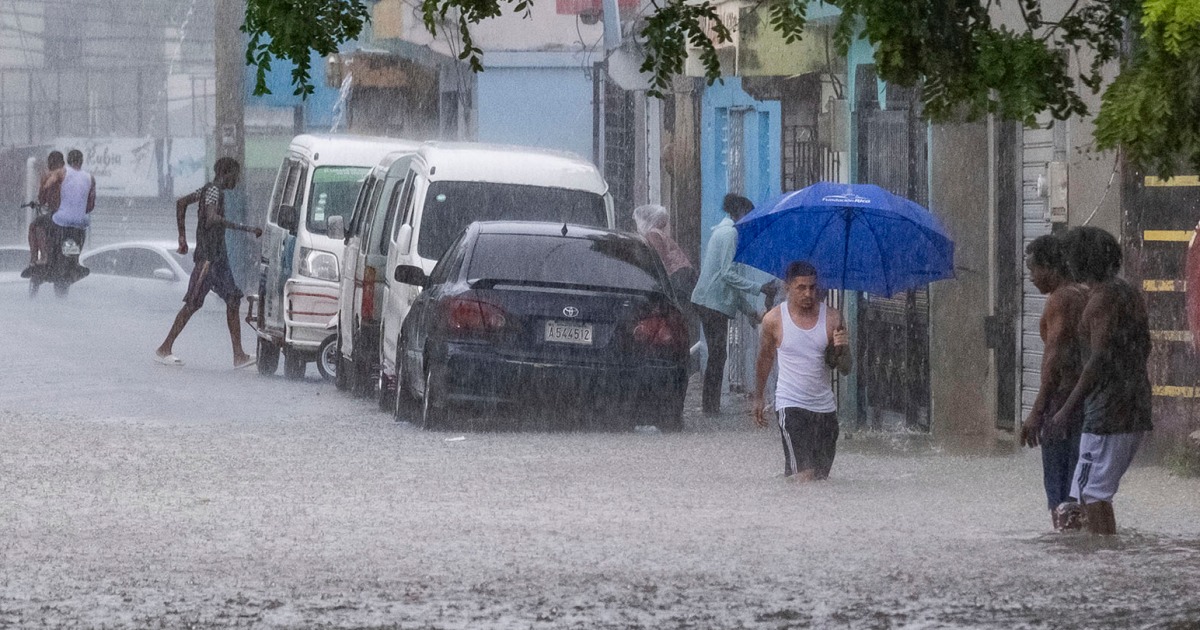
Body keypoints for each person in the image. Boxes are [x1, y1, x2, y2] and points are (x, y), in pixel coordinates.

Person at [1051, 226, 1153, 535]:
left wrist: (1066, 409)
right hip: (1132, 406)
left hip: (1107, 414)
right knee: (1097, 493)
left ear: (1079, 261)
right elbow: (1143, 347)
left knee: (1089, 494)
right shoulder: (1127, 293)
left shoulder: (1102, 301)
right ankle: (1109, 558)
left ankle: (1102, 562)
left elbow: (1098, 360)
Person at [155, 158, 262, 368]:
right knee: (192, 304)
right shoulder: (213, 191)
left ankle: (238, 355)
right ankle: (164, 348)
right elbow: (212, 218)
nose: (237, 180)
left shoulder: (205, 190)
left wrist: (182, 237)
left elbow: (181, 203)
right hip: (208, 260)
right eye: (235, 175)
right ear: (227, 172)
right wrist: (246, 228)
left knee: (233, 300)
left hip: (218, 259)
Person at [752, 261, 851, 481]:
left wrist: (842, 348)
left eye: (813, 287)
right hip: (791, 405)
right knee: (805, 476)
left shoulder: (833, 319)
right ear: (787, 287)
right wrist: (758, 397)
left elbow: (845, 369)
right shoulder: (773, 320)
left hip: (825, 410)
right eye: (801, 287)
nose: (808, 293)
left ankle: (788, 507)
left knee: (819, 480)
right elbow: (765, 359)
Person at [1018, 234, 1089, 531]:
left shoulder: (1060, 300)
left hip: (1062, 404)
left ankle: (1064, 550)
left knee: (1061, 495)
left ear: (1051, 267)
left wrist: (1037, 411)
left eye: (1034, 269)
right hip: (1086, 402)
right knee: (1079, 491)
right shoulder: (1084, 293)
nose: (1031, 277)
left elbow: (1054, 358)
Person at [691, 194, 774, 414]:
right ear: (739, 213)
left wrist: (750, 313)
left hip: (712, 301)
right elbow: (727, 274)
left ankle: (711, 406)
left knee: (718, 354)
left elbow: (730, 285)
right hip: (711, 302)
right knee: (718, 354)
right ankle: (710, 407)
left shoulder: (724, 232)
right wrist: (759, 288)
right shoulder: (729, 234)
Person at [20, 151, 65, 278]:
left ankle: (38, 258)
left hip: (56, 214)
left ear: (50, 163)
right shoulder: (70, 175)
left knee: (35, 225)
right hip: (70, 215)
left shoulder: (48, 176)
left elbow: (42, 199)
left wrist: (39, 200)